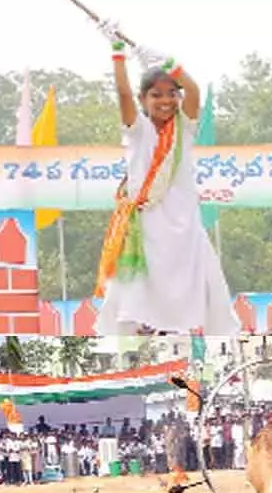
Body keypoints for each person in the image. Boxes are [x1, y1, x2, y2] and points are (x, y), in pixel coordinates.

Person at [92, 25, 239, 337]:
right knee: (131, 292)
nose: (165, 101)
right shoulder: (138, 131)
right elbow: (121, 93)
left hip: (184, 223)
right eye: (156, 95)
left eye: (172, 94)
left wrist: (169, 62)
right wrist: (117, 53)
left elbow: (194, 91)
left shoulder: (184, 129)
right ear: (143, 99)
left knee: (207, 285)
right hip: (147, 227)